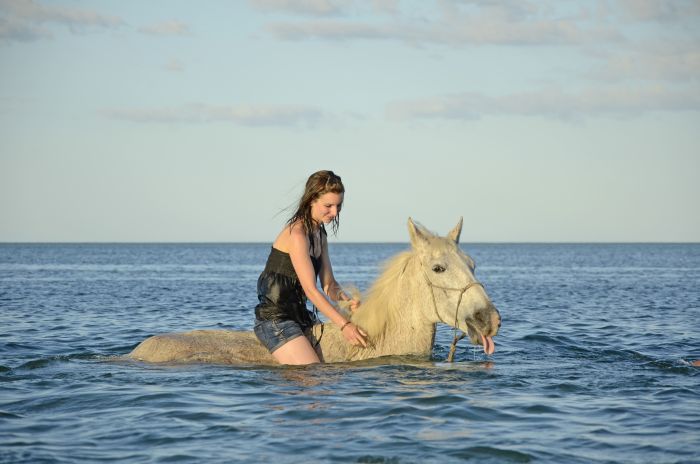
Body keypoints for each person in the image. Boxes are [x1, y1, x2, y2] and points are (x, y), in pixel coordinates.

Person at [253, 170, 367, 365]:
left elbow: (329, 285)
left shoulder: (319, 235)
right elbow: (311, 291)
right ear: (311, 199)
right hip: (276, 320)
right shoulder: (297, 235)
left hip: (302, 318)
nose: (334, 212)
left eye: (338, 206)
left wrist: (347, 302)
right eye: (328, 206)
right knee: (315, 374)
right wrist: (344, 324)